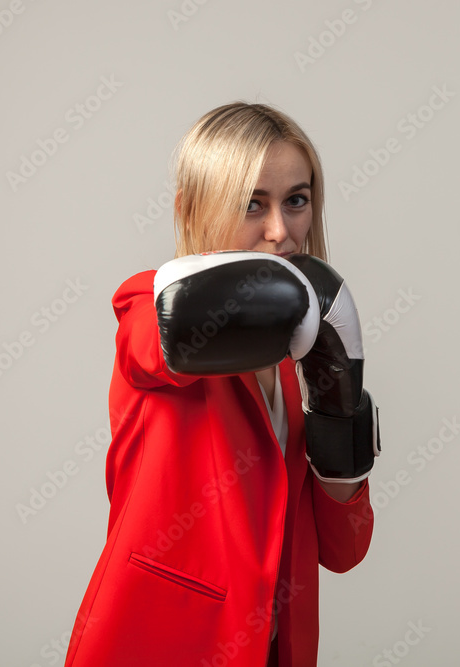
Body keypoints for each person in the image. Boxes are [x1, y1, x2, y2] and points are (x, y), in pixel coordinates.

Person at [64, 102, 378, 667]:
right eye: (251, 203)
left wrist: (339, 405)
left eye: (296, 200)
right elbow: (152, 341)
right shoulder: (149, 308)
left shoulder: (295, 362)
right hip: (162, 644)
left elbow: (343, 549)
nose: (281, 230)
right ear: (192, 208)